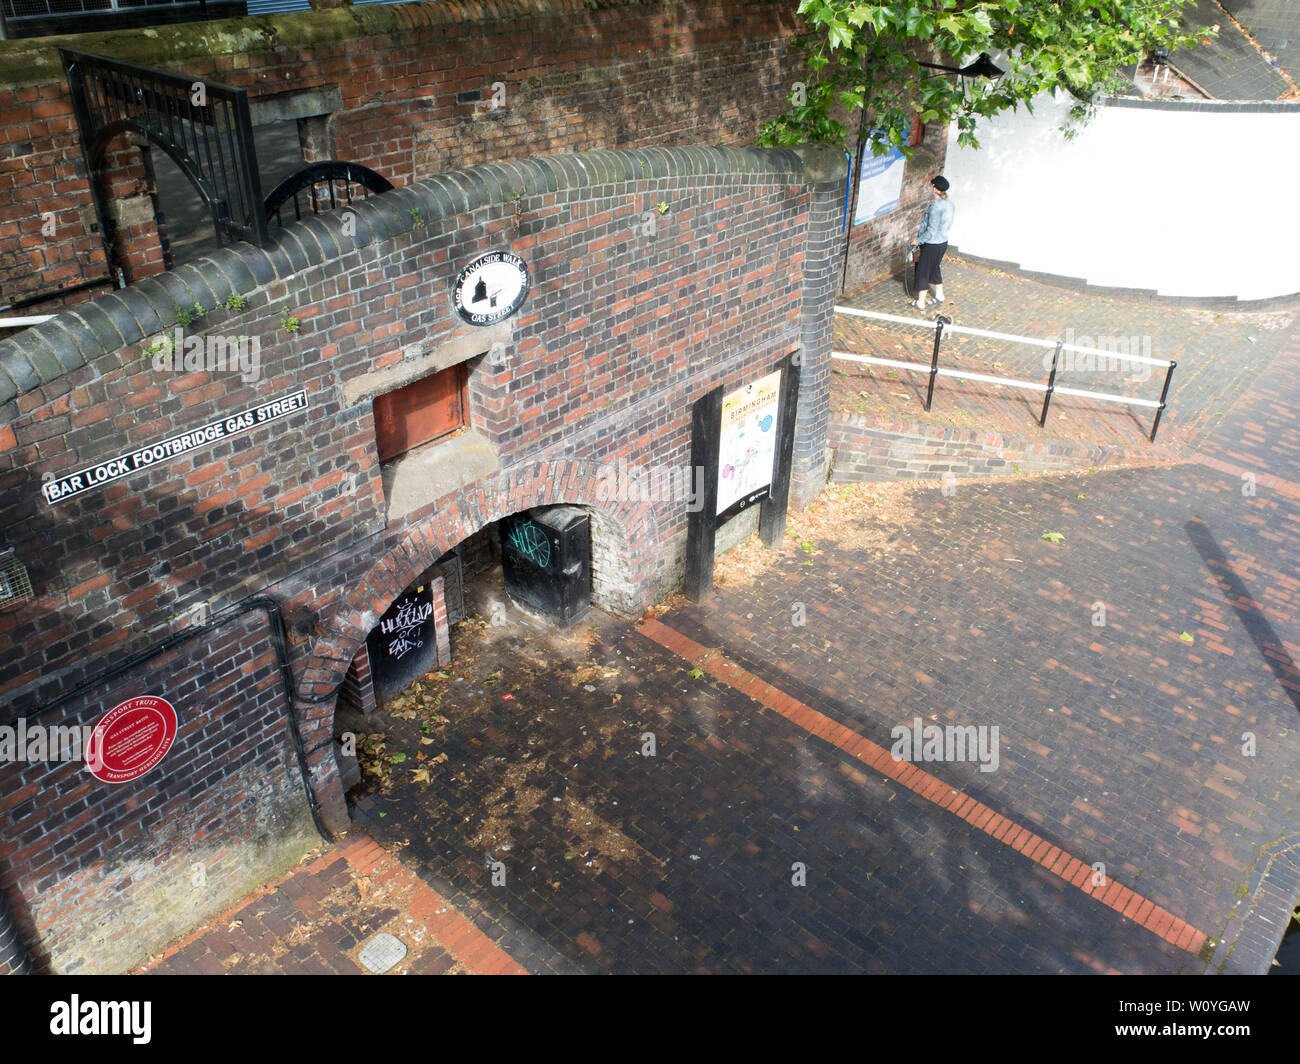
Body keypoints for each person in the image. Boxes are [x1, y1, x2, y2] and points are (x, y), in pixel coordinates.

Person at [911, 175, 954, 311]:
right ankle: (940, 295)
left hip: (932, 244)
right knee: (935, 267)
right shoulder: (950, 204)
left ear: (935, 188)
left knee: (923, 270)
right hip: (943, 242)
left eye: (932, 186)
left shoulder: (935, 207)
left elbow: (931, 230)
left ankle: (921, 302)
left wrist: (918, 240)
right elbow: (949, 224)